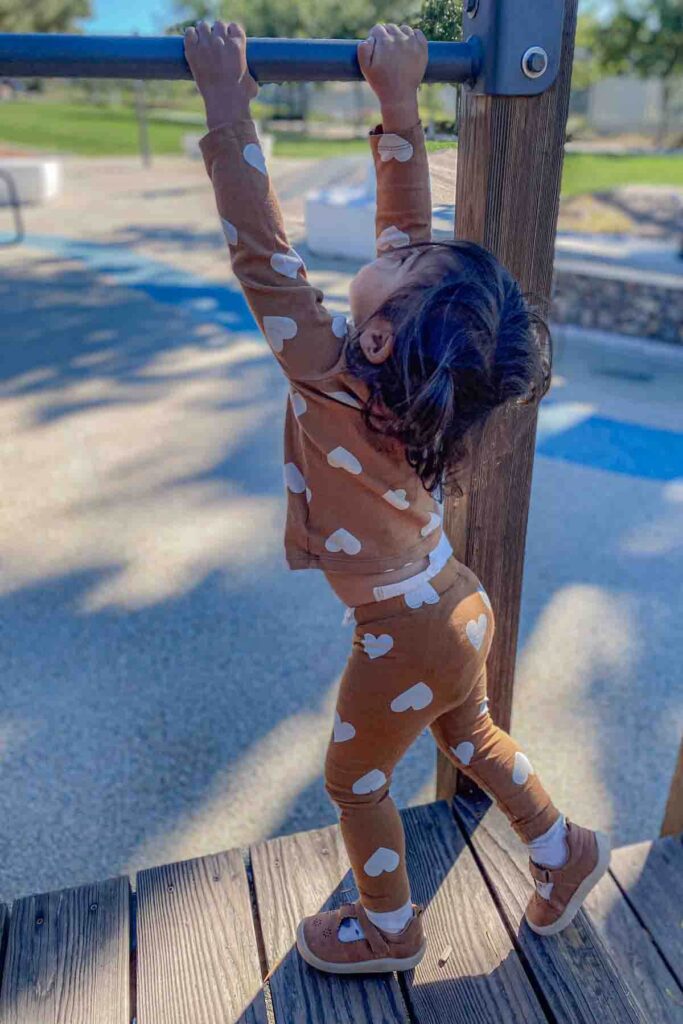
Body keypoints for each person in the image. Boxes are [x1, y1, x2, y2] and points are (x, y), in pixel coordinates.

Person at [184, 20, 611, 974]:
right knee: (475, 733)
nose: (404, 245)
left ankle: (388, 927)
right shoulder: (428, 397)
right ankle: (563, 848)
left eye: (409, 262)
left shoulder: (325, 374)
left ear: (380, 336)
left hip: (404, 630)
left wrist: (226, 105)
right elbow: (403, 236)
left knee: (353, 777)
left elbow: (263, 253)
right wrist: (398, 105)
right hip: (455, 603)